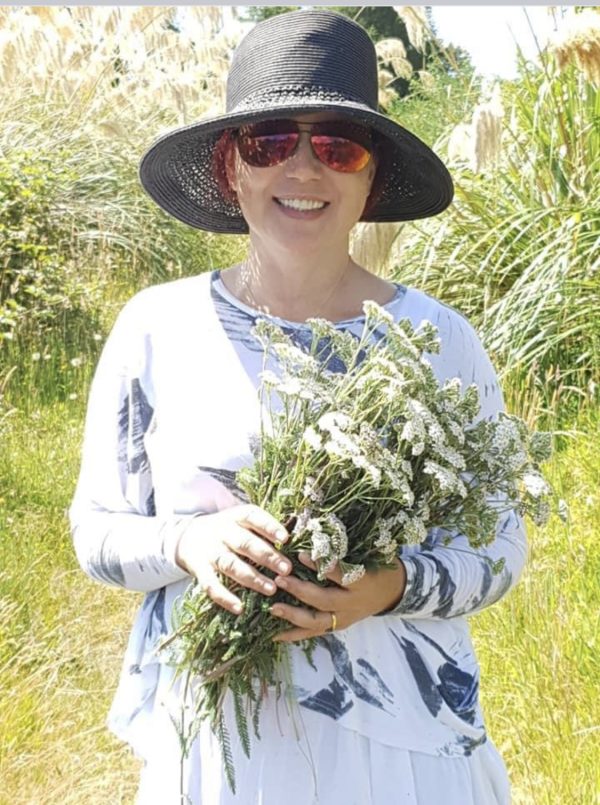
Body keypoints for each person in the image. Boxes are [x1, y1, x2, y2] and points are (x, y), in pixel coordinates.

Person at [70, 10, 526, 804]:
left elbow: (501, 547)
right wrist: (189, 542)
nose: (306, 169)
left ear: (370, 178)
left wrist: (390, 586)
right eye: (273, 141)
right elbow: (96, 529)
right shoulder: (155, 327)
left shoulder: (440, 342)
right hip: (221, 743)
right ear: (232, 168)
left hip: (402, 744)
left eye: (339, 146)